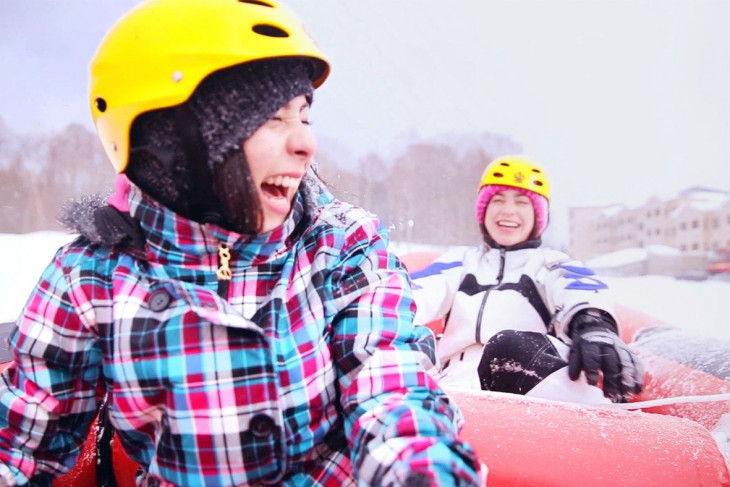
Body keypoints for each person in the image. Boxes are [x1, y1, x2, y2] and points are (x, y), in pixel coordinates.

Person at [0, 1, 485, 485]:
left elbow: (390, 379)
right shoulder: (90, 277)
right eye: (273, 118)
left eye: (304, 118)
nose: (306, 145)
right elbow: (22, 440)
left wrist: (422, 470)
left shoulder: (341, 244)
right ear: (173, 139)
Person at [411, 155, 644, 404]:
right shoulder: (459, 261)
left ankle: (604, 419)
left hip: (530, 377)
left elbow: (578, 287)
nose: (508, 210)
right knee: (404, 349)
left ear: (538, 216)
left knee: (508, 347)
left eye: (522, 203)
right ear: (483, 211)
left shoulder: (550, 263)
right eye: (497, 200)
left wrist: (593, 325)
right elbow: (419, 291)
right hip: (455, 382)